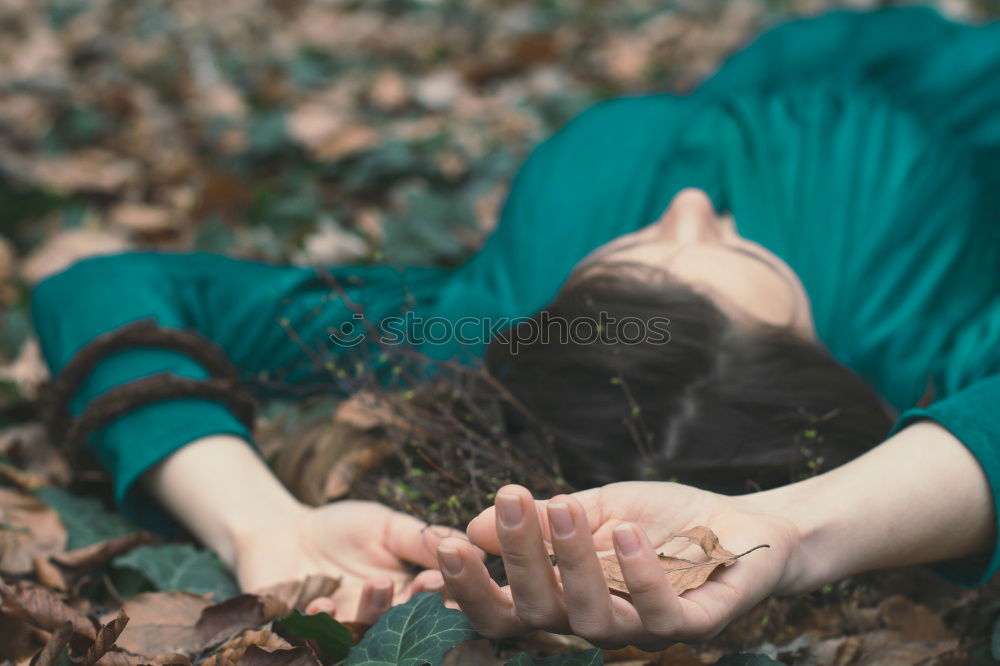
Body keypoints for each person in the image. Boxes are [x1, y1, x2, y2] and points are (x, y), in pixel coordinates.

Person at [28, 4, 1000, 638]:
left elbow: (101, 289)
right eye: (737, 254)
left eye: (639, 250)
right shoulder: (912, 346)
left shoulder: (494, 325)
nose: (694, 200)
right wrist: (789, 532)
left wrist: (257, 523)